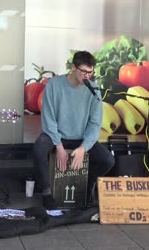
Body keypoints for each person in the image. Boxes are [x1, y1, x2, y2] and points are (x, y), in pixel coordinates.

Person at [33, 50, 115, 209]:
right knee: (38, 148)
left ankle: (86, 187)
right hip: (55, 134)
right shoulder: (54, 84)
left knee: (108, 160)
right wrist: (59, 146)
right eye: (83, 71)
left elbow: (94, 124)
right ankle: (46, 192)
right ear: (73, 67)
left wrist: (84, 147)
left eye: (90, 72)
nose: (87, 76)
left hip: (81, 136)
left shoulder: (94, 89)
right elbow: (48, 118)